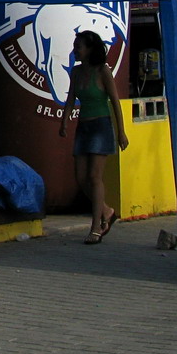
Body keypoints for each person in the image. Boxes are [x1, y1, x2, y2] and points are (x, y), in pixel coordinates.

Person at [58, 30, 129, 243]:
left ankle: (95, 227)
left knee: (95, 177)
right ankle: (106, 211)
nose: (75, 51)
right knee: (81, 177)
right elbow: (71, 98)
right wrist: (64, 120)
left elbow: (115, 101)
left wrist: (121, 132)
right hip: (83, 127)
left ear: (90, 49)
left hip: (101, 125)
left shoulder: (103, 71)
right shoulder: (76, 72)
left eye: (78, 47)